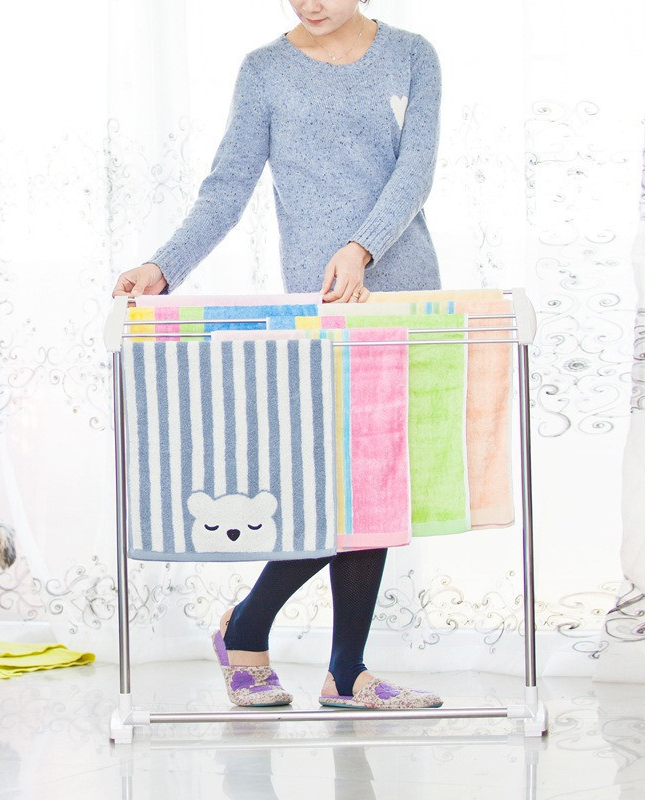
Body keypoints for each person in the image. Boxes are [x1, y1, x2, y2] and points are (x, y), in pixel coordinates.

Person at [113, 0, 443, 710]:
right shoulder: (265, 70)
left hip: (401, 291)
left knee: (373, 488)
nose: (308, 2)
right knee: (330, 488)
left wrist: (361, 248)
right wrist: (164, 266)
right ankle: (251, 629)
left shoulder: (412, 55)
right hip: (318, 307)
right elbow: (227, 187)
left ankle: (343, 671)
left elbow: (414, 172)